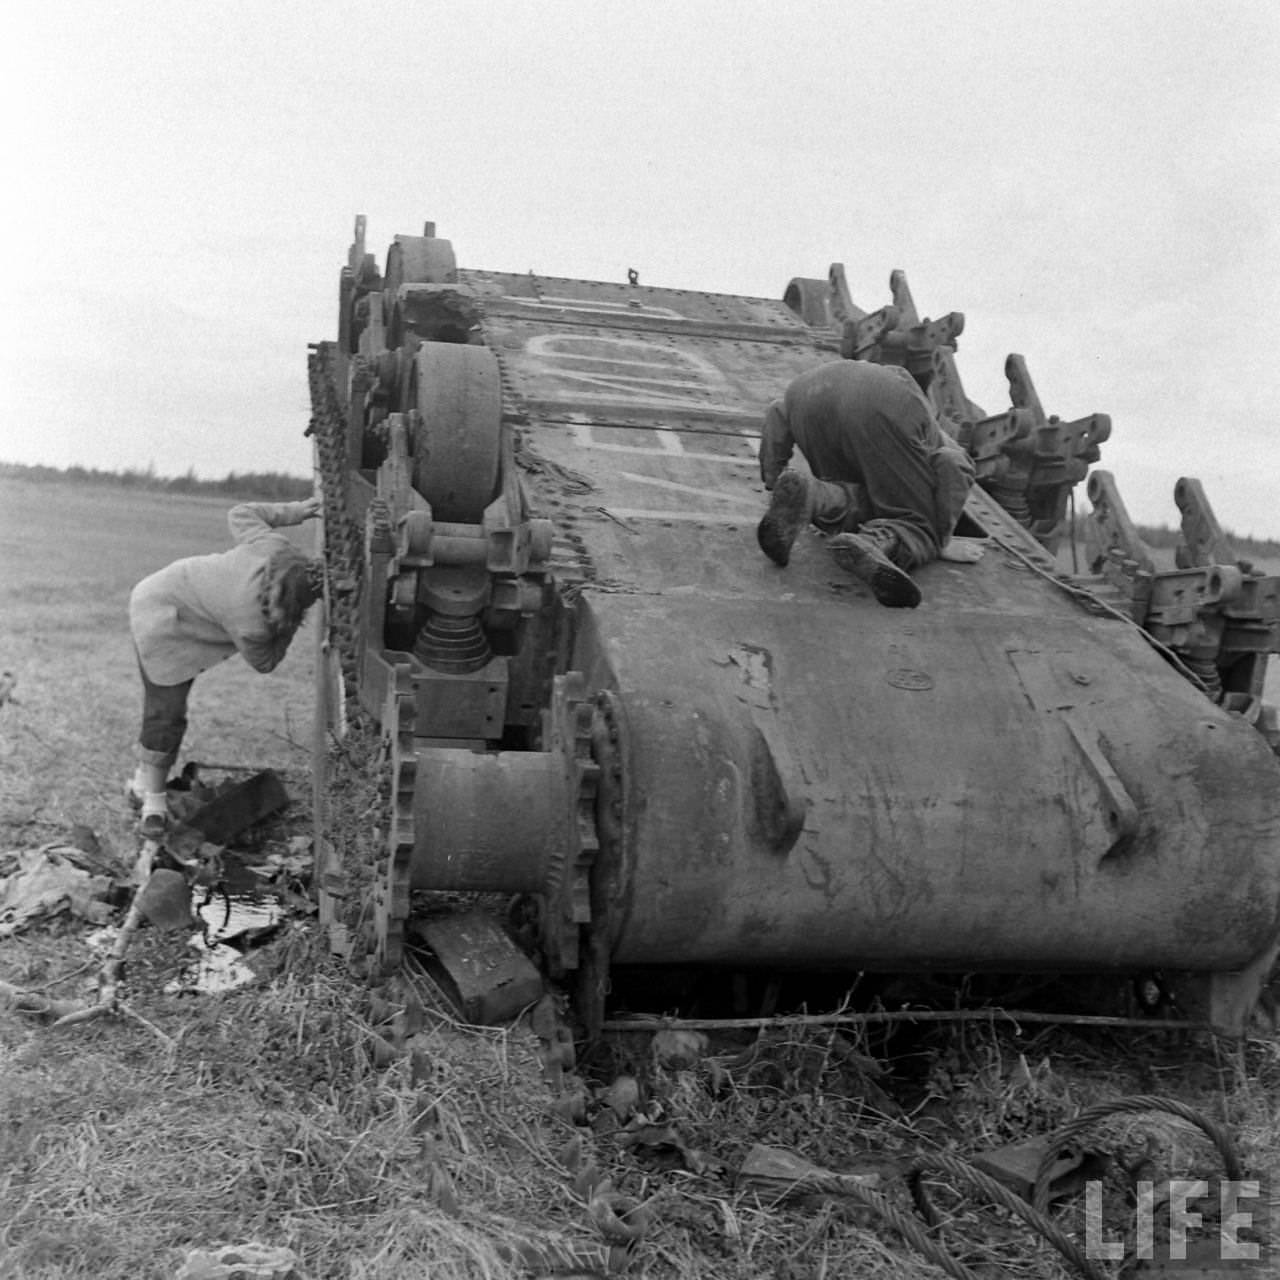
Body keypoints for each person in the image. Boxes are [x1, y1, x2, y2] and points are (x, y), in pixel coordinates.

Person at [125, 497, 325, 837]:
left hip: (175, 591)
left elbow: (243, 512)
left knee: (170, 713)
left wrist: (295, 512)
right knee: (166, 713)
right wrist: (290, 625)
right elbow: (266, 662)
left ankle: (143, 783)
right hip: (160, 617)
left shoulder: (272, 545)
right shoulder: (252, 623)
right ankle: (153, 806)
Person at [756, 360, 978, 608]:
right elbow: (955, 464)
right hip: (882, 405)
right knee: (919, 523)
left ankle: (813, 496)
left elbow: (778, 412)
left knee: (857, 496)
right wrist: (941, 541)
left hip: (807, 392)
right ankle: (875, 543)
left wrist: (774, 480)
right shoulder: (937, 441)